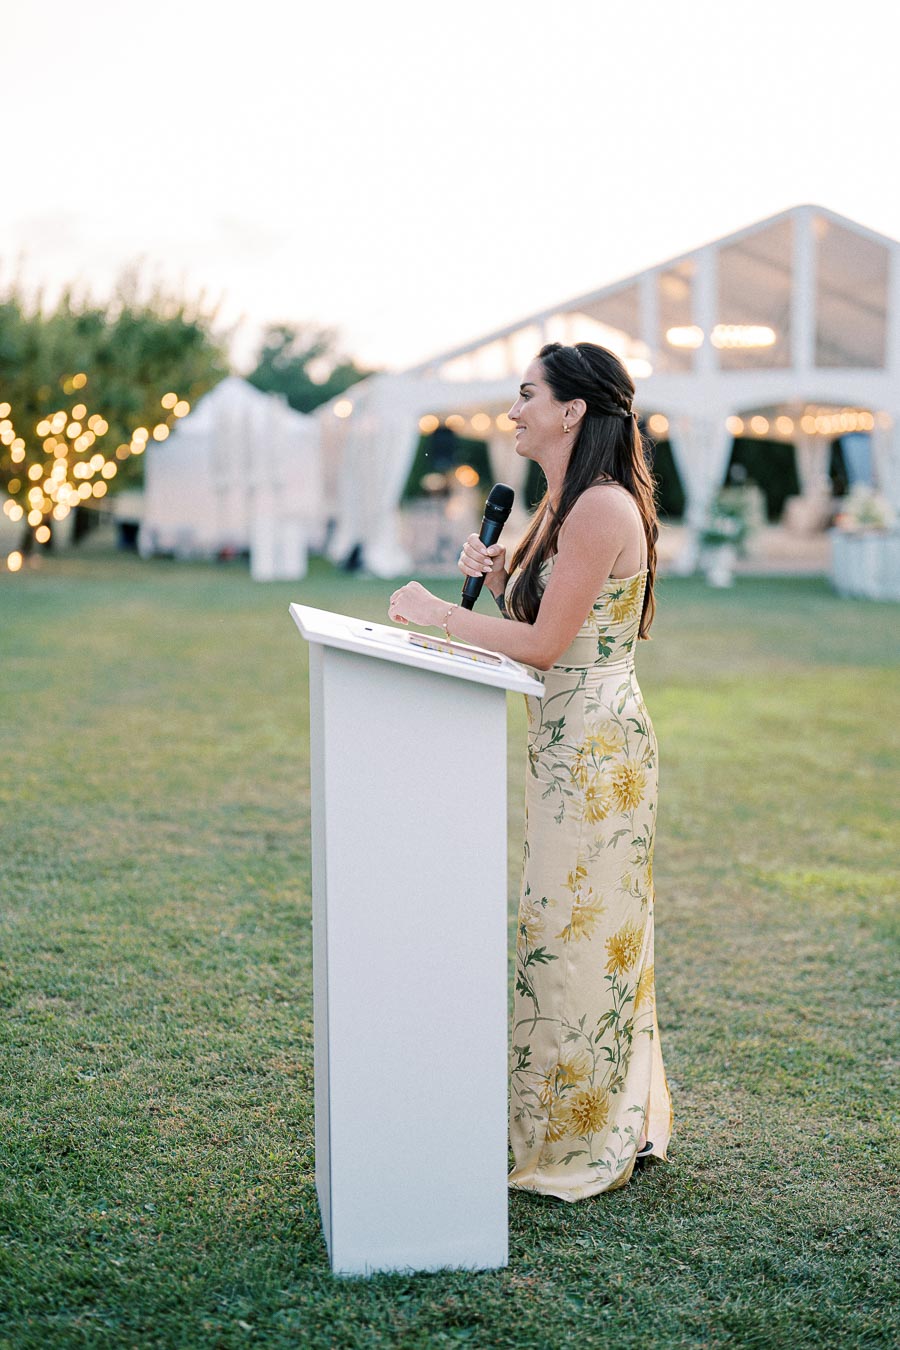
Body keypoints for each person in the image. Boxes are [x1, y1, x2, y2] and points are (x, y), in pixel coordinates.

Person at [388, 342, 673, 1200]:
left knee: (572, 937)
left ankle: (577, 1134)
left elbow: (549, 647)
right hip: (567, 745)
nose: (512, 413)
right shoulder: (562, 503)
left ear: (573, 410)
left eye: (526, 396)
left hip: (597, 753)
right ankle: (566, 1113)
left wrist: (438, 614)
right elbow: (551, 617)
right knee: (562, 930)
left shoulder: (599, 508)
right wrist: (503, 573)